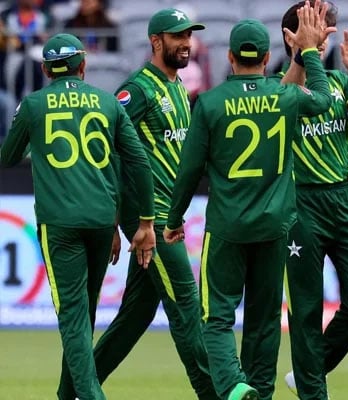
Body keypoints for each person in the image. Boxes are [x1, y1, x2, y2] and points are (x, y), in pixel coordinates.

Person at [163, 4, 333, 399]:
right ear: (268, 57)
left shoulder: (208, 103)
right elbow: (324, 98)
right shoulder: (286, 95)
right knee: (265, 320)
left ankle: (232, 387)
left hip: (227, 227)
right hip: (275, 226)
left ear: (230, 56)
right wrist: (308, 53)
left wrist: (174, 220)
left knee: (217, 317)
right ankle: (260, 389)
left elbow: (189, 170)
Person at [56, 7, 219, 400]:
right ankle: (216, 393)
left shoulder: (179, 88)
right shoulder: (137, 90)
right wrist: (113, 221)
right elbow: (104, 149)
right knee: (186, 310)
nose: (185, 43)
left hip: (168, 216)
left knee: (135, 316)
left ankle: (72, 392)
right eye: (177, 36)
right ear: (155, 41)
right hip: (150, 221)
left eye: (188, 36)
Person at [0, 33, 155, 400]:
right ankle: (66, 394)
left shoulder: (34, 105)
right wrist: (143, 221)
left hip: (60, 224)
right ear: (83, 65)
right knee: (83, 314)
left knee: (72, 317)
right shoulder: (108, 103)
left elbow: (7, 158)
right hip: (103, 223)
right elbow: (137, 162)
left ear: (44, 69)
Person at [277, 2, 348, 399]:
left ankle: (309, 369)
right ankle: (312, 391)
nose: (326, 39)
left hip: (346, 198)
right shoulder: (278, 85)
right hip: (302, 204)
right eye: (316, 30)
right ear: (292, 36)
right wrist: (304, 54)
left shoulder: (338, 82)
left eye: (327, 32)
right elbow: (282, 101)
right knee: (305, 309)